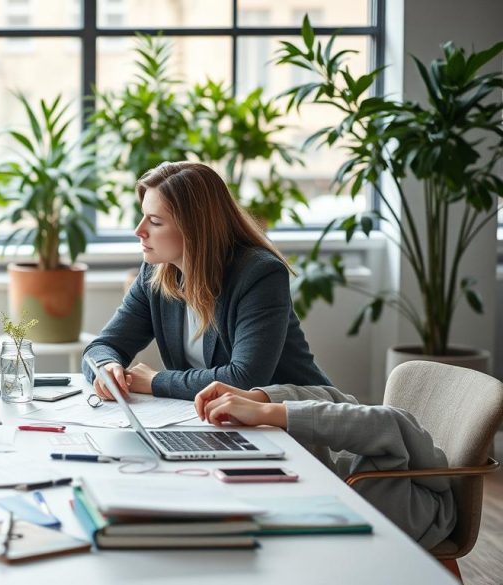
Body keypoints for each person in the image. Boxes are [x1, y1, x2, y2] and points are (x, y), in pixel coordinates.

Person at [83, 161, 330, 401]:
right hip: (219, 421)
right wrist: (107, 368)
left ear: (194, 229)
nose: (139, 230)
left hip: (291, 423)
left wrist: (154, 381)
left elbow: (244, 378)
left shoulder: (260, 275)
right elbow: (102, 347)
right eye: (143, 216)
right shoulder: (155, 274)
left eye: (155, 221)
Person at [194, 381, 456, 549]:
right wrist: (260, 399)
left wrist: (269, 412)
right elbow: (343, 402)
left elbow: (390, 423)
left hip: (405, 504)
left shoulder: (419, 501)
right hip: (362, 483)